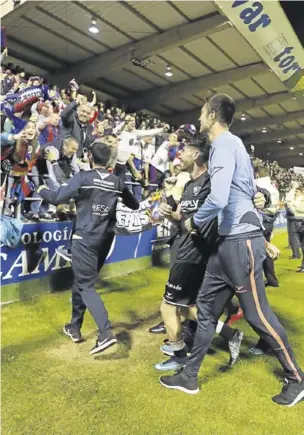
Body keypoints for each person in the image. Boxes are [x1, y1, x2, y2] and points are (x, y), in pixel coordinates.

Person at [159, 94, 304, 407]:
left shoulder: (225, 144)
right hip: (226, 245)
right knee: (207, 311)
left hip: (239, 244)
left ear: (212, 114)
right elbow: (248, 193)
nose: (199, 116)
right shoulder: (229, 147)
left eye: (201, 112)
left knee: (257, 316)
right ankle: (190, 375)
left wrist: (193, 223)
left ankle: (297, 378)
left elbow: (220, 198)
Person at [37, 142, 140, 355]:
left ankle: (106, 333)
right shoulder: (117, 182)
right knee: (83, 281)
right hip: (105, 239)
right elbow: (134, 205)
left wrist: (41, 189)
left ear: (90, 157)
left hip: (85, 238)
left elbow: (57, 198)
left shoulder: (84, 177)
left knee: (86, 285)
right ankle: (75, 326)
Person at [154, 136, 244, 371]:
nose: (179, 156)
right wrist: (168, 214)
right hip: (187, 251)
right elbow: (182, 219)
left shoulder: (210, 184)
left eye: (183, 151)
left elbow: (211, 220)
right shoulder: (190, 185)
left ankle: (179, 356)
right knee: (187, 308)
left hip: (192, 256)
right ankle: (230, 334)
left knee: (167, 307)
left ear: (195, 155)